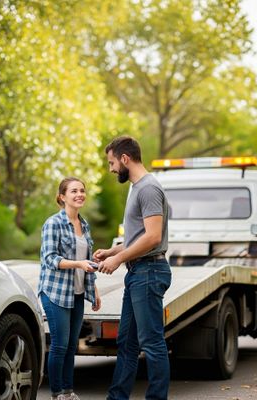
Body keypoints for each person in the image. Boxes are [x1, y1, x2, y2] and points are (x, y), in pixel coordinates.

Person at [94, 136, 172, 400]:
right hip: (138, 273)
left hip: (149, 272)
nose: (112, 169)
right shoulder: (137, 188)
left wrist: (117, 260)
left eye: (112, 162)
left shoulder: (148, 189)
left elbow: (152, 237)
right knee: (126, 342)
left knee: (152, 343)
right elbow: (138, 237)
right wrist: (113, 251)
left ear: (125, 159)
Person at [39, 177, 102, 400]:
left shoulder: (83, 225)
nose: (79, 194)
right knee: (59, 345)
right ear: (62, 197)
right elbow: (50, 259)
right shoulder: (53, 223)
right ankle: (57, 394)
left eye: (82, 190)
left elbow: (86, 261)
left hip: (77, 293)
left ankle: (68, 391)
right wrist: (77, 264)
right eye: (74, 191)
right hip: (55, 292)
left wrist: (93, 290)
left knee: (71, 345)